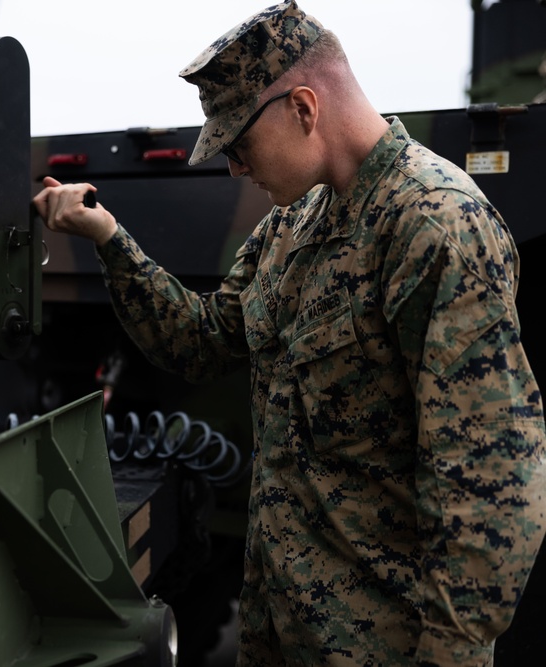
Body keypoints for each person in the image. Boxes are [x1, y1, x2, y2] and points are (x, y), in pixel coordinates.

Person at [32, 1, 546, 665]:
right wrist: (109, 239)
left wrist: (450, 652)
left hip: (379, 644)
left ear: (304, 108)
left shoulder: (434, 227)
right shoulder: (295, 221)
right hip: (282, 624)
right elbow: (204, 337)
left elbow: (489, 479)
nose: (235, 169)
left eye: (240, 145)